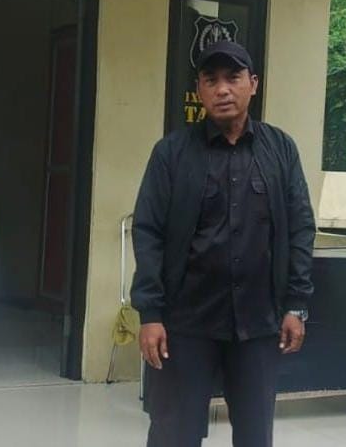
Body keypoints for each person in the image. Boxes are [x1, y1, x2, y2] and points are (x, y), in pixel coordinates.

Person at [130, 40, 317, 447]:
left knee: (254, 435)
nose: (223, 90)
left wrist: (296, 304)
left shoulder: (280, 150)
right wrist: (150, 313)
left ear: (253, 84)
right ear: (199, 89)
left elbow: (301, 229)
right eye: (211, 80)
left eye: (233, 78)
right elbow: (148, 232)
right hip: (185, 325)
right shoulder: (171, 154)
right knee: (173, 434)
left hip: (258, 323)